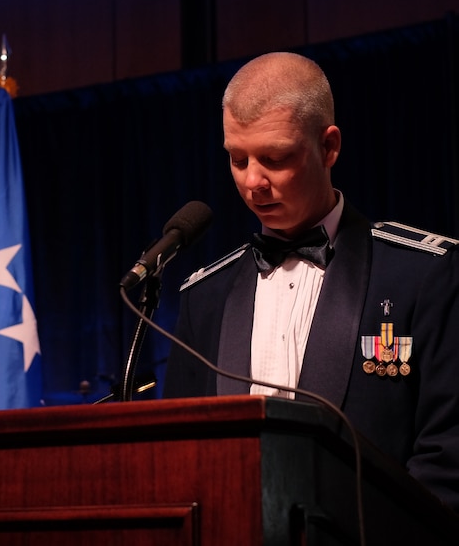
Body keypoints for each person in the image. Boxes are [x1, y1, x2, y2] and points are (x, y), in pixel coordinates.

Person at [162, 51, 459, 513]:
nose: (253, 182)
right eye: (237, 160)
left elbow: (446, 458)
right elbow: (179, 460)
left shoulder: (423, 275)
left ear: (329, 147)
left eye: (275, 158)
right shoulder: (204, 297)